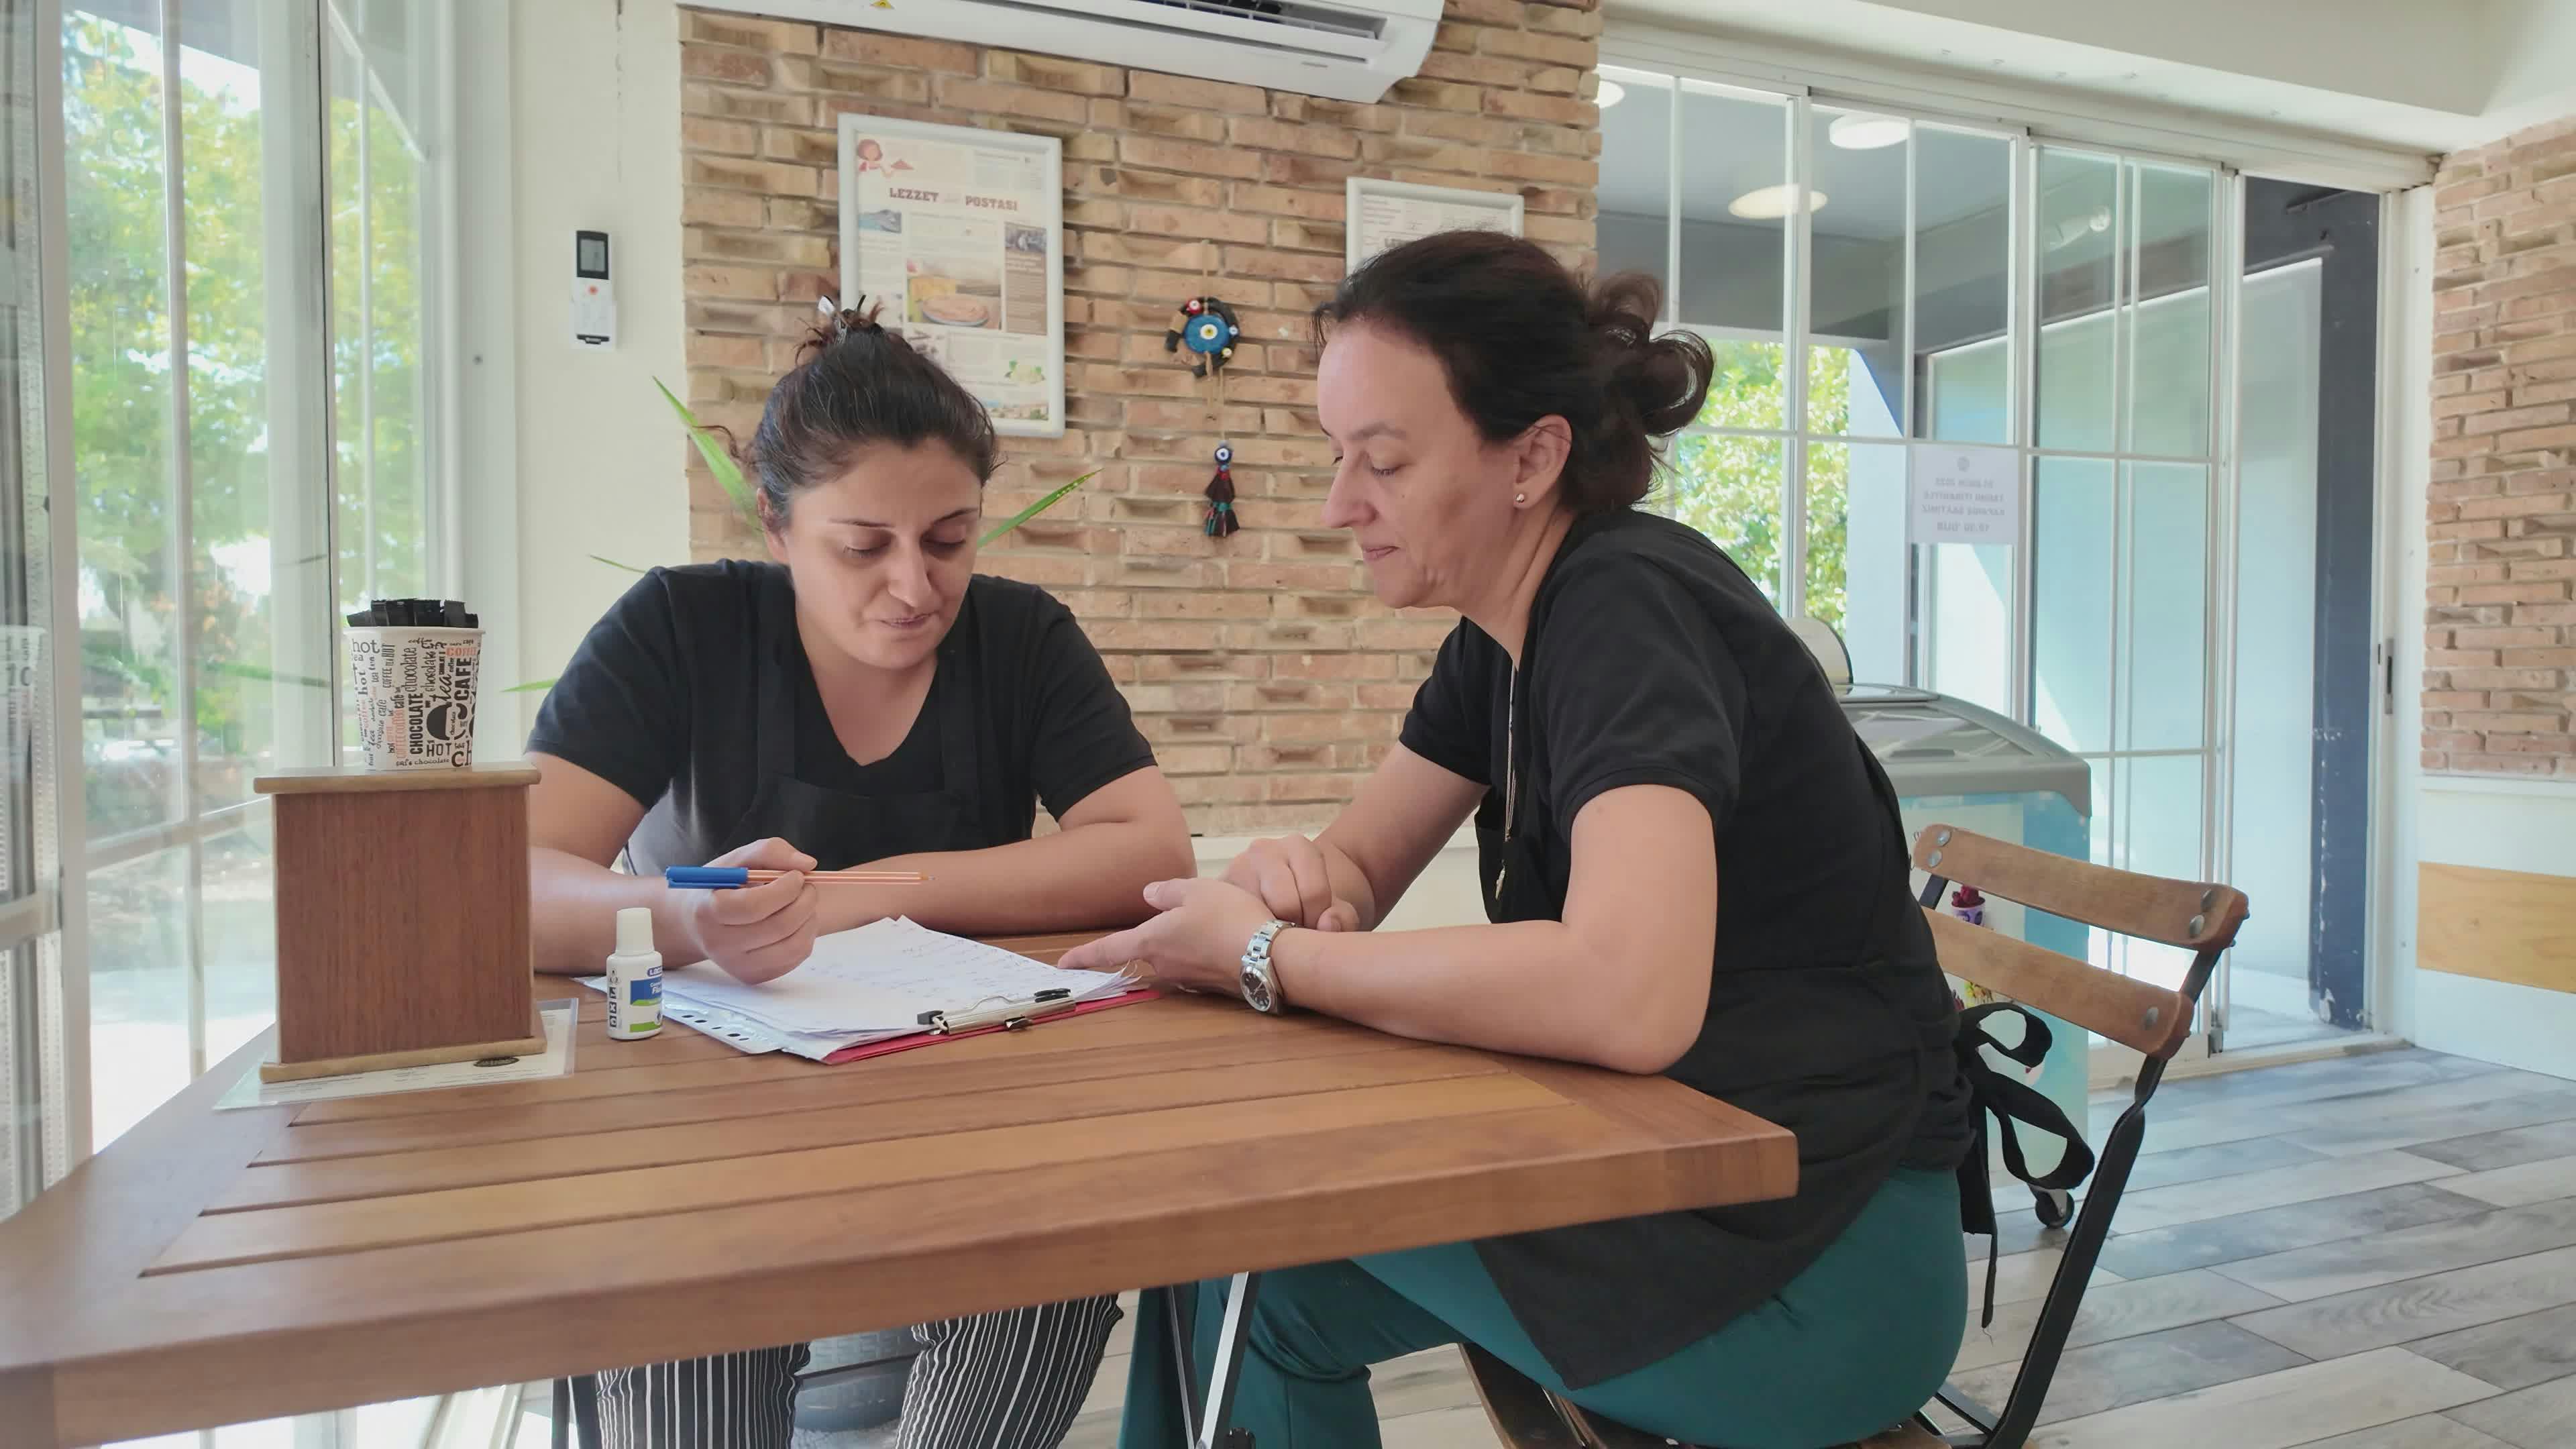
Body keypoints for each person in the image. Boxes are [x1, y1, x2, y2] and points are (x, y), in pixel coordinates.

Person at [1061, 233, 1978, 1449]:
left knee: (1235, 1241)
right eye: (1338, 457)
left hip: (1815, 1262)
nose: (1340, 505)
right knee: (1235, 1271)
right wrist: (1296, 883)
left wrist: (1269, 957)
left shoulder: (1624, 609)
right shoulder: (1499, 638)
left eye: (1385, 461)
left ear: (1534, 456)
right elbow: (1359, 866)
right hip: (1676, 1178)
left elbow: (1629, 996)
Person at [526, 301, 1194, 1449]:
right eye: (862, 546)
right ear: (776, 526)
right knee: (703, 1332)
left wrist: (868, 892)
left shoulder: (1022, 640)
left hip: (966, 1117)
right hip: (706, 1130)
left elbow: (1149, 852)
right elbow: (509, 883)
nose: (914, 587)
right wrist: (688, 919)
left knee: (1059, 1262)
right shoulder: (679, 628)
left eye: (950, 541)